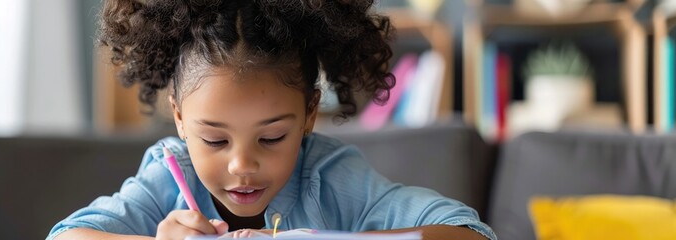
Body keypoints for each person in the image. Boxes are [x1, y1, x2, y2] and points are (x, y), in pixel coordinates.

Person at [48, 0, 496, 239]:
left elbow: (470, 235)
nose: (242, 165)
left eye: (272, 137)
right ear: (181, 120)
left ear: (309, 115)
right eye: (215, 140)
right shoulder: (169, 175)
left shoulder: (330, 176)